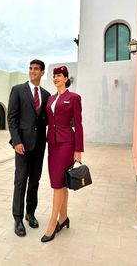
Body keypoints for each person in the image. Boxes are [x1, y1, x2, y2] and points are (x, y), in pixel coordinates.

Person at [41, 66, 84, 243]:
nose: (56, 78)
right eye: (54, 76)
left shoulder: (74, 98)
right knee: (61, 182)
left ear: (66, 78)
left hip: (67, 143)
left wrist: (78, 150)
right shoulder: (50, 98)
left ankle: (53, 222)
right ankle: (64, 217)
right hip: (52, 143)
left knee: (57, 184)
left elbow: (79, 124)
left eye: (59, 76)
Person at [7, 59, 50, 237]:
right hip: (22, 146)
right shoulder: (18, 90)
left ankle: (30, 213)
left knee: (34, 182)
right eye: (30, 68)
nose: (32, 71)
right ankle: (17, 218)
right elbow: (12, 118)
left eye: (36, 69)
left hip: (39, 146)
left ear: (42, 72)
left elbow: (47, 120)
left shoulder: (47, 95)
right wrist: (16, 142)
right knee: (20, 181)